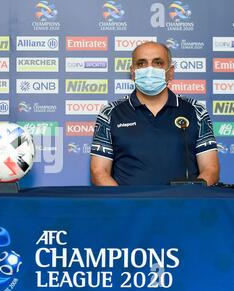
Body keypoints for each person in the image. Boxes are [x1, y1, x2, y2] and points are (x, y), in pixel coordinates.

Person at [90, 41, 219, 186]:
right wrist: (125, 205)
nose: (149, 69)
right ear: (132, 73)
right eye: (141, 64)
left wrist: (188, 200)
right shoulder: (110, 113)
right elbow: (99, 172)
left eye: (157, 63)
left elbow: (211, 169)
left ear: (170, 72)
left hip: (183, 206)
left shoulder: (196, 110)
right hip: (128, 207)